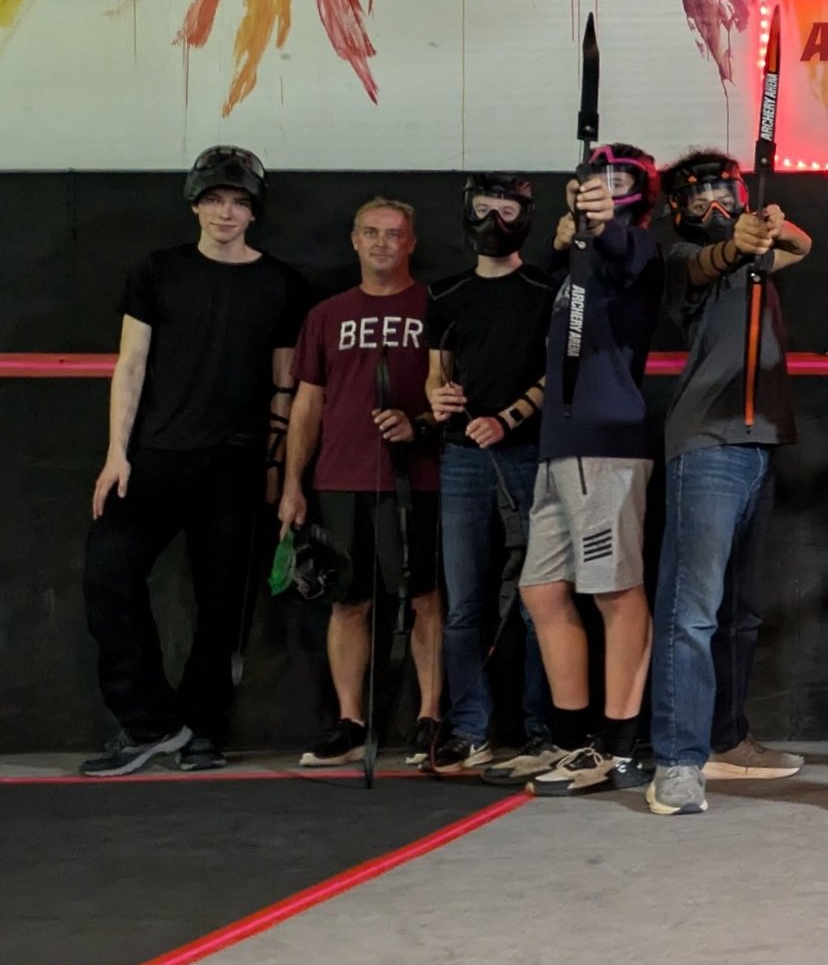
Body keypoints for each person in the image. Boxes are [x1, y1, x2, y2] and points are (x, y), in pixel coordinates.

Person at [82, 147, 309, 775]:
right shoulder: (156, 271)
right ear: (195, 204)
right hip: (154, 457)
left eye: (237, 202)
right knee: (107, 577)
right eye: (214, 200)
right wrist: (115, 455)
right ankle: (152, 723)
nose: (225, 212)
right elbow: (130, 366)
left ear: (254, 211)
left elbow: (285, 385)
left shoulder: (282, 284)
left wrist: (274, 467)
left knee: (221, 606)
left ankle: (204, 728)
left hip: (234, 466)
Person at [642, 151, 811, 816]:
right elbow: (703, 262)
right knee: (692, 612)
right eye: (700, 198)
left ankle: (727, 739)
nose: (715, 207)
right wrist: (736, 239)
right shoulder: (681, 260)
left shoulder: (759, 256)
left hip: (759, 444)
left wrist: (767, 224)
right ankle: (678, 762)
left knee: (738, 613)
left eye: (725, 193)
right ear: (677, 210)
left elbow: (799, 244)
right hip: (708, 444)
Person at [519, 143, 665, 796]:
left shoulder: (638, 253)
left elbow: (621, 247)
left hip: (608, 446)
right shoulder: (567, 262)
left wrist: (601, 222)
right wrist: (573, 232)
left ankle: (621, 745)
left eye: (615, 185)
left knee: (614, 590)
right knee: (543, 591)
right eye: (591, 182)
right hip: (558, 447)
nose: (601, 190)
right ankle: (575, 739)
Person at [279, 199, 443, 768]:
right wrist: (292, 483)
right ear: (354, 240)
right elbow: (307, 405)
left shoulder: (434, 307)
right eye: (371, 233)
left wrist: (417, 424)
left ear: (410, 243)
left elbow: (453, 389)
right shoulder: (326, 314)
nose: (381, 244)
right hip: (341, 477)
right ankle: (349, 724)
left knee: (425, 599)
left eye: (393, 234)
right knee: (348, 602)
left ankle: (431, 720)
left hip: (417, 479)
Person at [424, 174, 553, 779]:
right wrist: (441, 400)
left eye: (507, 209)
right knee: (465, 601)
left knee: (537, 599)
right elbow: (437, 372)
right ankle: (469, 729)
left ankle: (539, 729)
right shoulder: (445, 292)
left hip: (528, 453)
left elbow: (560, 376)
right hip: (462, 457)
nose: (495, 220)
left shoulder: (544, 291)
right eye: (485, 208)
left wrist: (507, 418)